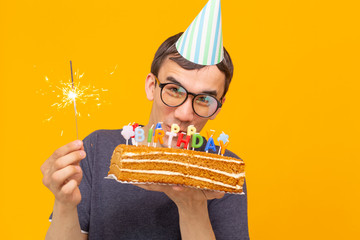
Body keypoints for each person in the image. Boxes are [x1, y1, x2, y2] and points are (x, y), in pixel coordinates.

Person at [41, 1, 249, 239]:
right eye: (174, 90)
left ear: (218, 108)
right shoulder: (97, 149)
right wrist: (64, 205)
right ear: (152, 86)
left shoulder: (224, 174)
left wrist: (192, 206)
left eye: (203, 99)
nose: (183, 114)